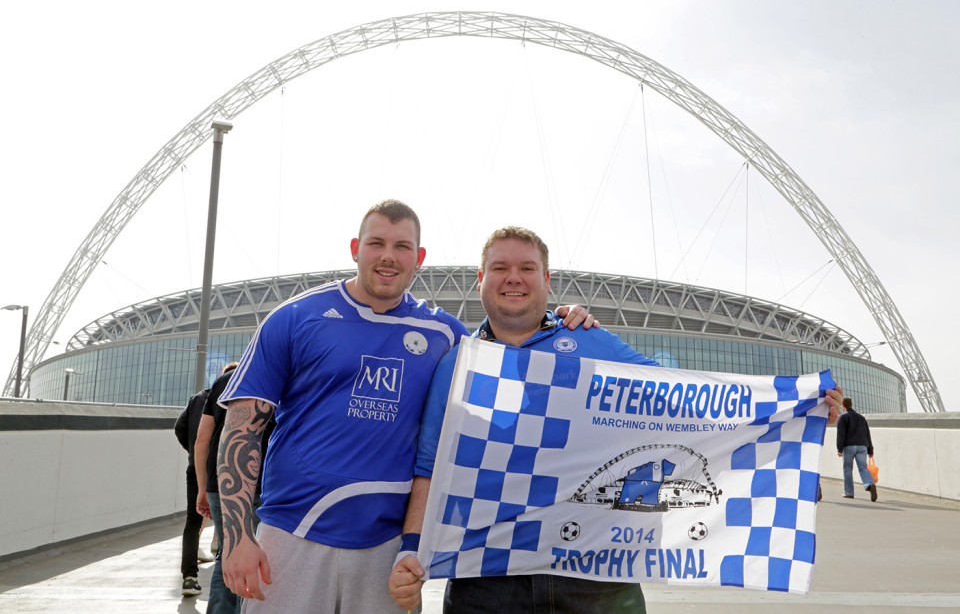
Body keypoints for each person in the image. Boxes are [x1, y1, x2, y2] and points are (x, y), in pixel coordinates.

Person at [389, 226, 845, 613]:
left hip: (597, 581)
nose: (514, 279)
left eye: (527, 268)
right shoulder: (459, 365)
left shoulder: (591, 342)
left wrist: (795, 410)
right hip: (488, 581)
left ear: (547, 279)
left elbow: (692, 404)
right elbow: (431, 469)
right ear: (480, 280)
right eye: (501, 268)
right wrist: (410, 552)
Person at [214, 201, 593, 613]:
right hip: (291, 536)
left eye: (402, 246)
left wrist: (563, 322)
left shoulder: (445, 334)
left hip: (389, 552)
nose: (388, 256)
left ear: (419, 258)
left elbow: (512, 364)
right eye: (376, 243)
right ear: (356, 248)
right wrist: (236, 539)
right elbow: (241, 429)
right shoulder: (294, 317)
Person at [195, 361, 240, 613]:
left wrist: (202, 487)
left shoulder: (222, 381)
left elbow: (202, 438)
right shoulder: (274, 374)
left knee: (227, 552)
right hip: (258, 484)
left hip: (217, 480)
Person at [174, 386, 211, 596]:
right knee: (229, 520)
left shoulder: (197, 398)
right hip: (220, 469)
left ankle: (189, 578)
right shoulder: (231, 395)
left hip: (195, 468)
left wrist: (194, 453)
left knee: (192, 521)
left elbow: (180, 428)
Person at [836, 396, 877, 501]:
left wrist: (839, 449)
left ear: (843, 405)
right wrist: (870, 450)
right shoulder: (862, 418)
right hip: (862, 446)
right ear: (851, 404)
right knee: (863, 467)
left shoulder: (843, 417)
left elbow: (841, 434)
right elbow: (867, 434)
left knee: (848, 470)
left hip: (848, 446)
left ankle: (849, 492)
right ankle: (869, 484)